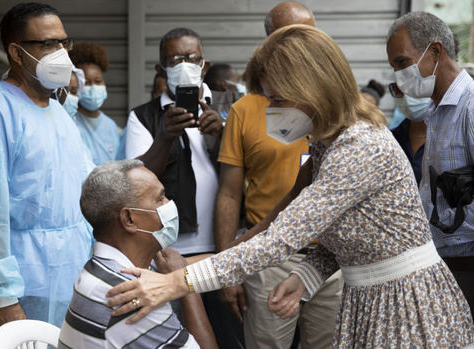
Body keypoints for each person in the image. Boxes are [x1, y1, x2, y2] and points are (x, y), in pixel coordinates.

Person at [106, 24, 474, 348]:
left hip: (404, 308)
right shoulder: (327, 143)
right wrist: (306, 275)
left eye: (277, 100)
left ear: (312, 89)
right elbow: (353, 239)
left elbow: (278, 240)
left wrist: (174, 284)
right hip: (373, 300)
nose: (271, 110)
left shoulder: (359, 148)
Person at [0, 3, 94, 348]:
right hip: (20, 283)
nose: (61, 53)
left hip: (70, 273)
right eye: (47, 44)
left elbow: (83, 190)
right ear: (16, 52)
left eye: (64, 42)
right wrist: (5, 298)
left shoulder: (58, 112)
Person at [214, 2, 342, 348]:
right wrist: (229, 267)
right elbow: (229, 193)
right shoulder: (246, 108)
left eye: (310, 37)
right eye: (290, 38)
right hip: (270, 258)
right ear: (269, 44)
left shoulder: (337, 107)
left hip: (329, 257)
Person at [124, 27, 231, 347]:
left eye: (192, 58)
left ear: (205, 66)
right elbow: (136, 181)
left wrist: (224, 134)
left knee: (228, 333)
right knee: (183, 336)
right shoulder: (143, 117)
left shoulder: (231, 107)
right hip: (172, 253)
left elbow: (250, 168)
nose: (185, 65)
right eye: (175, 60)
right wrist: (165, 138)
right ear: (160, 69)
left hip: (225, 246)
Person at [58, 160, 217, 348]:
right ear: (129, 219)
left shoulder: (104, 270)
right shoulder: (130, 295)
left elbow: (216, 263)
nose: (169, 204)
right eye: (160, 198)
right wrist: (187, 287)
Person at [387, 11, 474, 310]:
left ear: (435, 51)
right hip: (441, 264)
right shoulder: (435, 113)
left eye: (402, 63)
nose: (399, 75)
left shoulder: (470, 107)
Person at [69, 41, 123, 165]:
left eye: (98, 81)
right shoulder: (71, 122)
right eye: (87, 83)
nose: (93, 87)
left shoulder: (112, 127)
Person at [388, 83, 431, 184]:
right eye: (399, 90)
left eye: (414, 91)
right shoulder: (389, 140)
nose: (406, 98)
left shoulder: (450, 138)